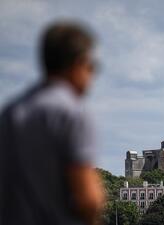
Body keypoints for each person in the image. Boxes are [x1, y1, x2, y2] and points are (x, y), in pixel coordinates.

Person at [0, 21, 106, 225]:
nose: (92, 75)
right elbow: (88, 198)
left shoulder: (10, 112)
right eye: (91, 66)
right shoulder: (73, 113)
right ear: (77, 64)